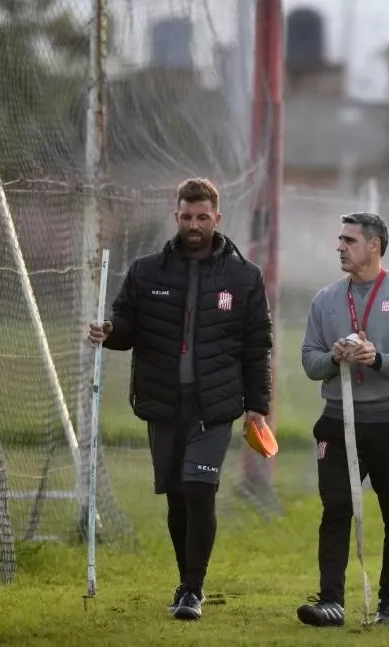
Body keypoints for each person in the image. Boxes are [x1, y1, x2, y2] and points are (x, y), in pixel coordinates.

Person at [86, 178, 272, 620]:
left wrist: (257, 404)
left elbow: (257, 344)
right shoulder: (147, 271)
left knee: (198, 489)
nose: (194, 224)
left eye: (202, 217)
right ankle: (184, 577)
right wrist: (109, 333)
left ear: (217, 218)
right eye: (187, 217)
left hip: (216, 404)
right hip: (163, 402)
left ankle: (192, 589)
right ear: (176, 217)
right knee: (175, 495)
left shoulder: (244, 277)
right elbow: (126, 325)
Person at [298, 212, 389, 627]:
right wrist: (334, 357)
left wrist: (375, 358)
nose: (340, 247)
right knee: (336, 506)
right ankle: (331, 602)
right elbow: (309, 361)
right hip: (338, 422)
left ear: (374, 246)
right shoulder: (325, 300)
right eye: (340, 240)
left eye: (349, 240)